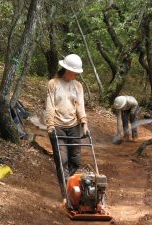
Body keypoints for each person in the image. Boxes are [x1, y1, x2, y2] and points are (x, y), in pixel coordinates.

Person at [46, 54, 89, 198]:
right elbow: (50, 105)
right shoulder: (53, 83)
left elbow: (80, 105)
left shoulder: (78, 86)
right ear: (65, 69)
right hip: (57, 126)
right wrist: (50, 125)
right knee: (62, 160)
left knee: (75, 160)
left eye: (76, 72)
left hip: (73, 126)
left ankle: (68, 182)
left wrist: (84, 122)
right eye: (73, 71)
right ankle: (66, 194)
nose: (75, 74)